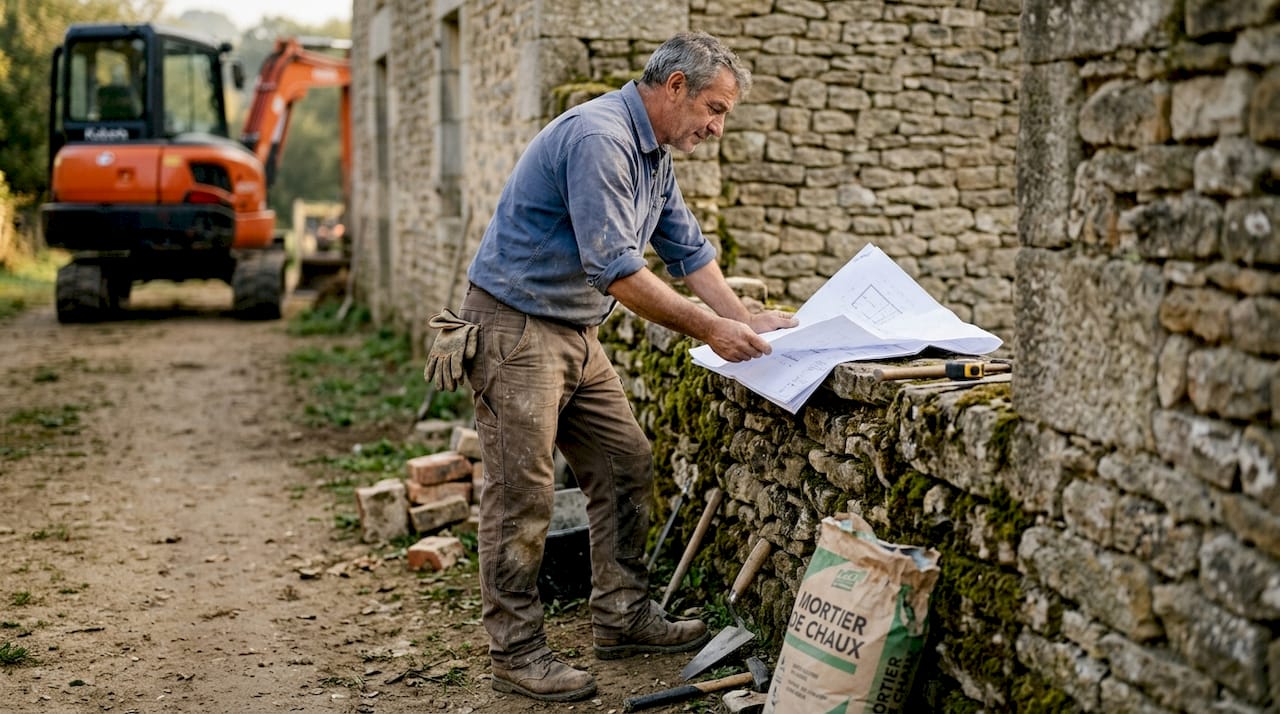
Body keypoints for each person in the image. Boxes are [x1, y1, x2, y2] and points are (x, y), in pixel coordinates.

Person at [424, 31, 798, 703]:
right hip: (515, 327)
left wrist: (741, 314)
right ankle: (516, 651)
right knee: (522, 494)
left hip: (571, 328)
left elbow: (686, 249)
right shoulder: (601, 138)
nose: (716, 128)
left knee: (626, 461)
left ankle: (621, 615)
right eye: (714, 109)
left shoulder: (652, 153)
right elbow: (618, 271)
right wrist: (712, 329)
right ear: (675, 87)